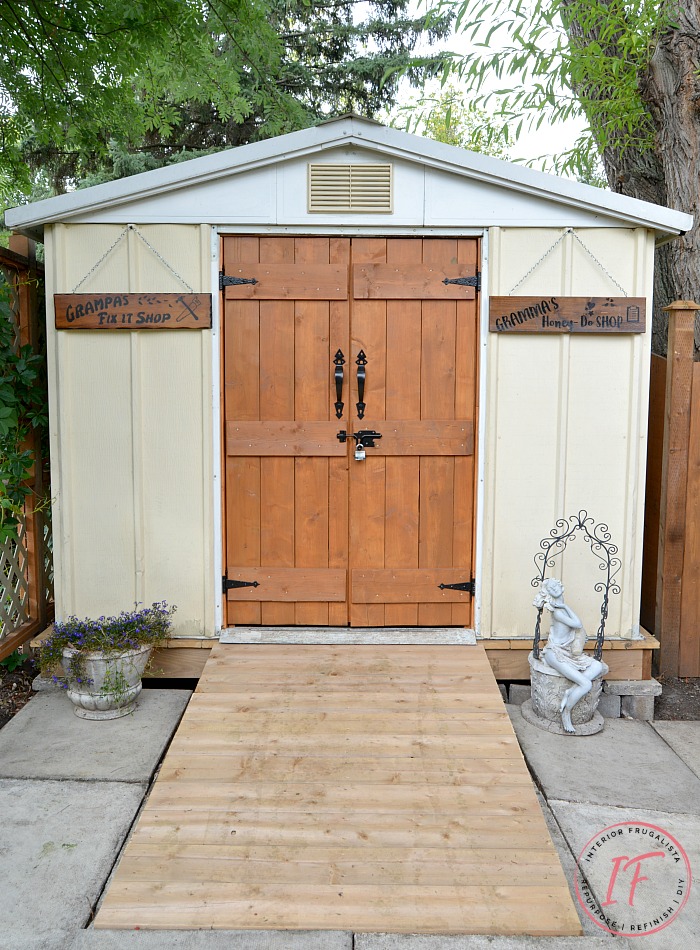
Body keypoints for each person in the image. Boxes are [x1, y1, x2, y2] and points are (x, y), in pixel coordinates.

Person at [533, 577, 608, 733]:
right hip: (554, 653)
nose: (555, 589)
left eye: (556, 586)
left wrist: (564, 605)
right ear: (549, 595)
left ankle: (571, 690)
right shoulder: (557, 612)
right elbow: (577, 624)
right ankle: (566, 714)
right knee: (586, 684)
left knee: (597, 666)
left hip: (568, 652)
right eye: (551, 589)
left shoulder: (561, 608)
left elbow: (577, 622)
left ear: (561, 586)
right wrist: (563, 606)